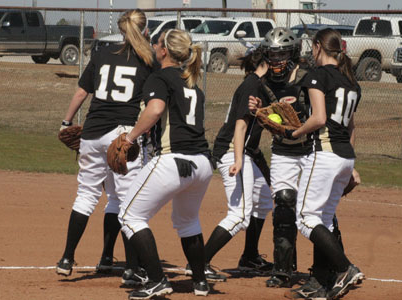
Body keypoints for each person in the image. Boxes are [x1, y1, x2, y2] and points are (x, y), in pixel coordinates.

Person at [55, 9, 155, 283]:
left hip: (92, 132)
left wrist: (66, 122)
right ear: (145, 31)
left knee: (87, 196)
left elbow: (81, 92)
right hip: (122, 138)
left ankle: (67, 258)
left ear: (122, 31)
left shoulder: (101, 54)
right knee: (126, 201)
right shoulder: (147, 60)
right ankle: (131, 268)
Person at [117, 28, 214, 299]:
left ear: (163, 51)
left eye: (157, 43)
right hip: (203, 164)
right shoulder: (193, 83)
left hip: (174, 159)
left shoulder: (159, 77)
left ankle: (157, 281)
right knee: (188, 221)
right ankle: (200, 282)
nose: (154, 46)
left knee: (129, 215)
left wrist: (130, 137)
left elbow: (156, 109)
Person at [285, 28, 365, 299]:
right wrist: (350, 164)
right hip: (344, 156)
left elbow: (318, 119)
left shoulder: (318, 76)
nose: (311, 50)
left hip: (325, 154)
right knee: (324, 220)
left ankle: (345, 268)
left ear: (318, 47)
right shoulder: (350, 81)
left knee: (306, 219)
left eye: (312, 46)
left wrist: (293, 132)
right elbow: (351, 126)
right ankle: (321, 282)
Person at [190, 48, 273, 282]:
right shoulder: (252, 85)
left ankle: (249, 256)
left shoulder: (257, 84)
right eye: (274, 59)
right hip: (234, 151)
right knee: (239, 215)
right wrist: (238, 159)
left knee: (264, 199)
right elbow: (240, 126)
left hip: (245, 153)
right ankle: (199, 263)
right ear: (265, 63)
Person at [248, 27, 312, 288]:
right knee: (284, 205)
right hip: (284, 150)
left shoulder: (309, 78)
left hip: (311, 150)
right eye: (272, 55)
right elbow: (266, 120)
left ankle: (331, 264)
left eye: (282, 54)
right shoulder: (264, 84)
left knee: (316, 208)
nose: (276, 61)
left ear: (294, 53)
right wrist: (256, 111)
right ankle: (283, 269)